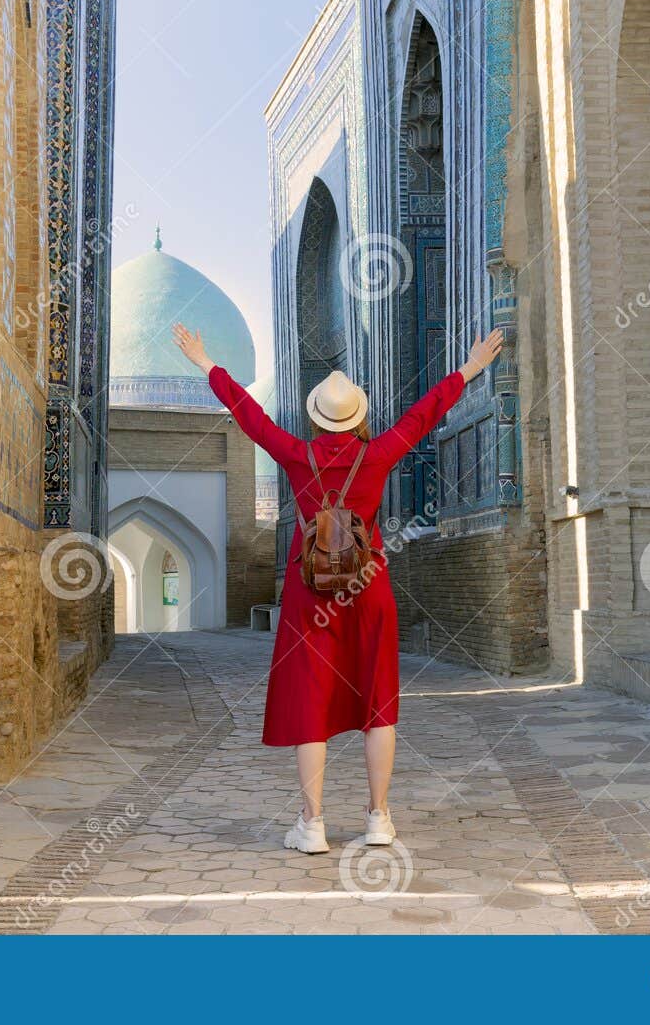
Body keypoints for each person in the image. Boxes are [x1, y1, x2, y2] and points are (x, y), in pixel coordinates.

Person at [172, 320, 505, 853]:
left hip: (311, 593)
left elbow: (250, 418)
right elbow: (424, 417)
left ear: (315, 417)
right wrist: (469, 367)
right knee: (378, 705)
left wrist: (206, 363)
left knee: (311, 705)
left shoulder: (296, 454)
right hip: (368, 587)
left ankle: (313, 823)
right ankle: (378, 818)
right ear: (358, 416)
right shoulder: (377, 454)